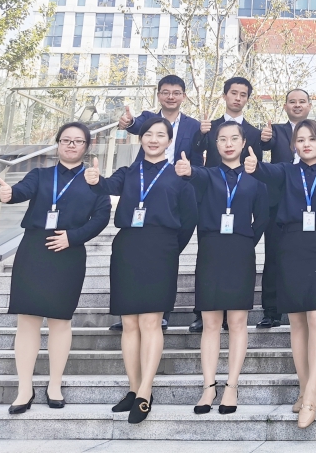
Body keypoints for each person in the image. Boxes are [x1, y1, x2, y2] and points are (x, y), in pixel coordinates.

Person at [0, 122, 111, 414]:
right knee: (28, 320)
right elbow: (21, 191)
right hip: (34, 250)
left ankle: (55, 385)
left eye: (78, 141)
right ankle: (24, 389)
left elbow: (101, 217)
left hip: (69, 252)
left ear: (87, 146)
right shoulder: (40, 174)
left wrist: (73, 237)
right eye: (66, 140)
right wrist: (9, 194)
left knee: (60, 321)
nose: (71, 145)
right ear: (58, 143)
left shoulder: (94, 181)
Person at [245, 120, 316, 429]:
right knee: (297, 322)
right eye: (300, 139)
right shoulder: (286, 172)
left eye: (311, 139)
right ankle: (303, 387)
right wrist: (254, 164)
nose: (306, 144)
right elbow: (264, 172)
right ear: (293, 145)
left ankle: (313, 391)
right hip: (290, 246)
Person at [104, 116, 198, 424]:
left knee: (150, 321)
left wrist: (170, 248)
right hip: (127, 246)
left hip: (161, 249)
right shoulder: (127, 172)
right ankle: (133, 389)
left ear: (170, 141)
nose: (154, 139)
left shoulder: (179, 176)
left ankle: (146, 391)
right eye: (148, 134)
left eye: (161, 135)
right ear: (140, 138)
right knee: (129, 322)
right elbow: (104, 186)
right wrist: (92, 177)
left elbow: (189, 220)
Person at [174, 121, 269, 415]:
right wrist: (187, 169)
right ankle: (208, 386)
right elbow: (194, 174)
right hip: (211, 250)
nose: (228, 144)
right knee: (211, 323)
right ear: (215, 144)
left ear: (243, 143)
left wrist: (245, 240)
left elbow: (262, 218)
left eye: (234, 139)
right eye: (222, 139)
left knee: (238, 322)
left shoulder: (256, 180)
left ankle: (231, 386)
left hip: (241, 251)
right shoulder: (208, 175)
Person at [114, 74, 201, 332]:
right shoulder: (147, 118)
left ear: (183, 96)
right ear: (159, 94)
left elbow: (197, 158)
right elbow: (134, 125)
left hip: (173, 189)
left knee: (162, 261)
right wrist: (128, 123)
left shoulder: (194, 125)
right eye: (165, 92)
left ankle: (160, 313)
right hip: (145, 186)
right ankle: (130, 310)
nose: (170, 96)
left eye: (176, 92)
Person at [187, 76, 263, 333]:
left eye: (243, 94)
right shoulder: (210, 127)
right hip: (212, 195)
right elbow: (196, 151)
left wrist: (248, 236)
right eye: (233, 93)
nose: (238, 98)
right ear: (225, 95)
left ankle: (230, 316)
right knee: (208, 266)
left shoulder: (253, 133)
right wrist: (201, 134)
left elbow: (255, 169)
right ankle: (204, 313)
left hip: (239, 203)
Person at [257, 89, 316, 329]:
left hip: (314, 207)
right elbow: (265, 150)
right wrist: (264, 140)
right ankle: (271, 311)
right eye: (292, 102)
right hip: (282, 206)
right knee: (274, 258)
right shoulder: (275, 130)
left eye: (302, 101)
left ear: (310, 105)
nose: (297, 105)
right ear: (285, 106)